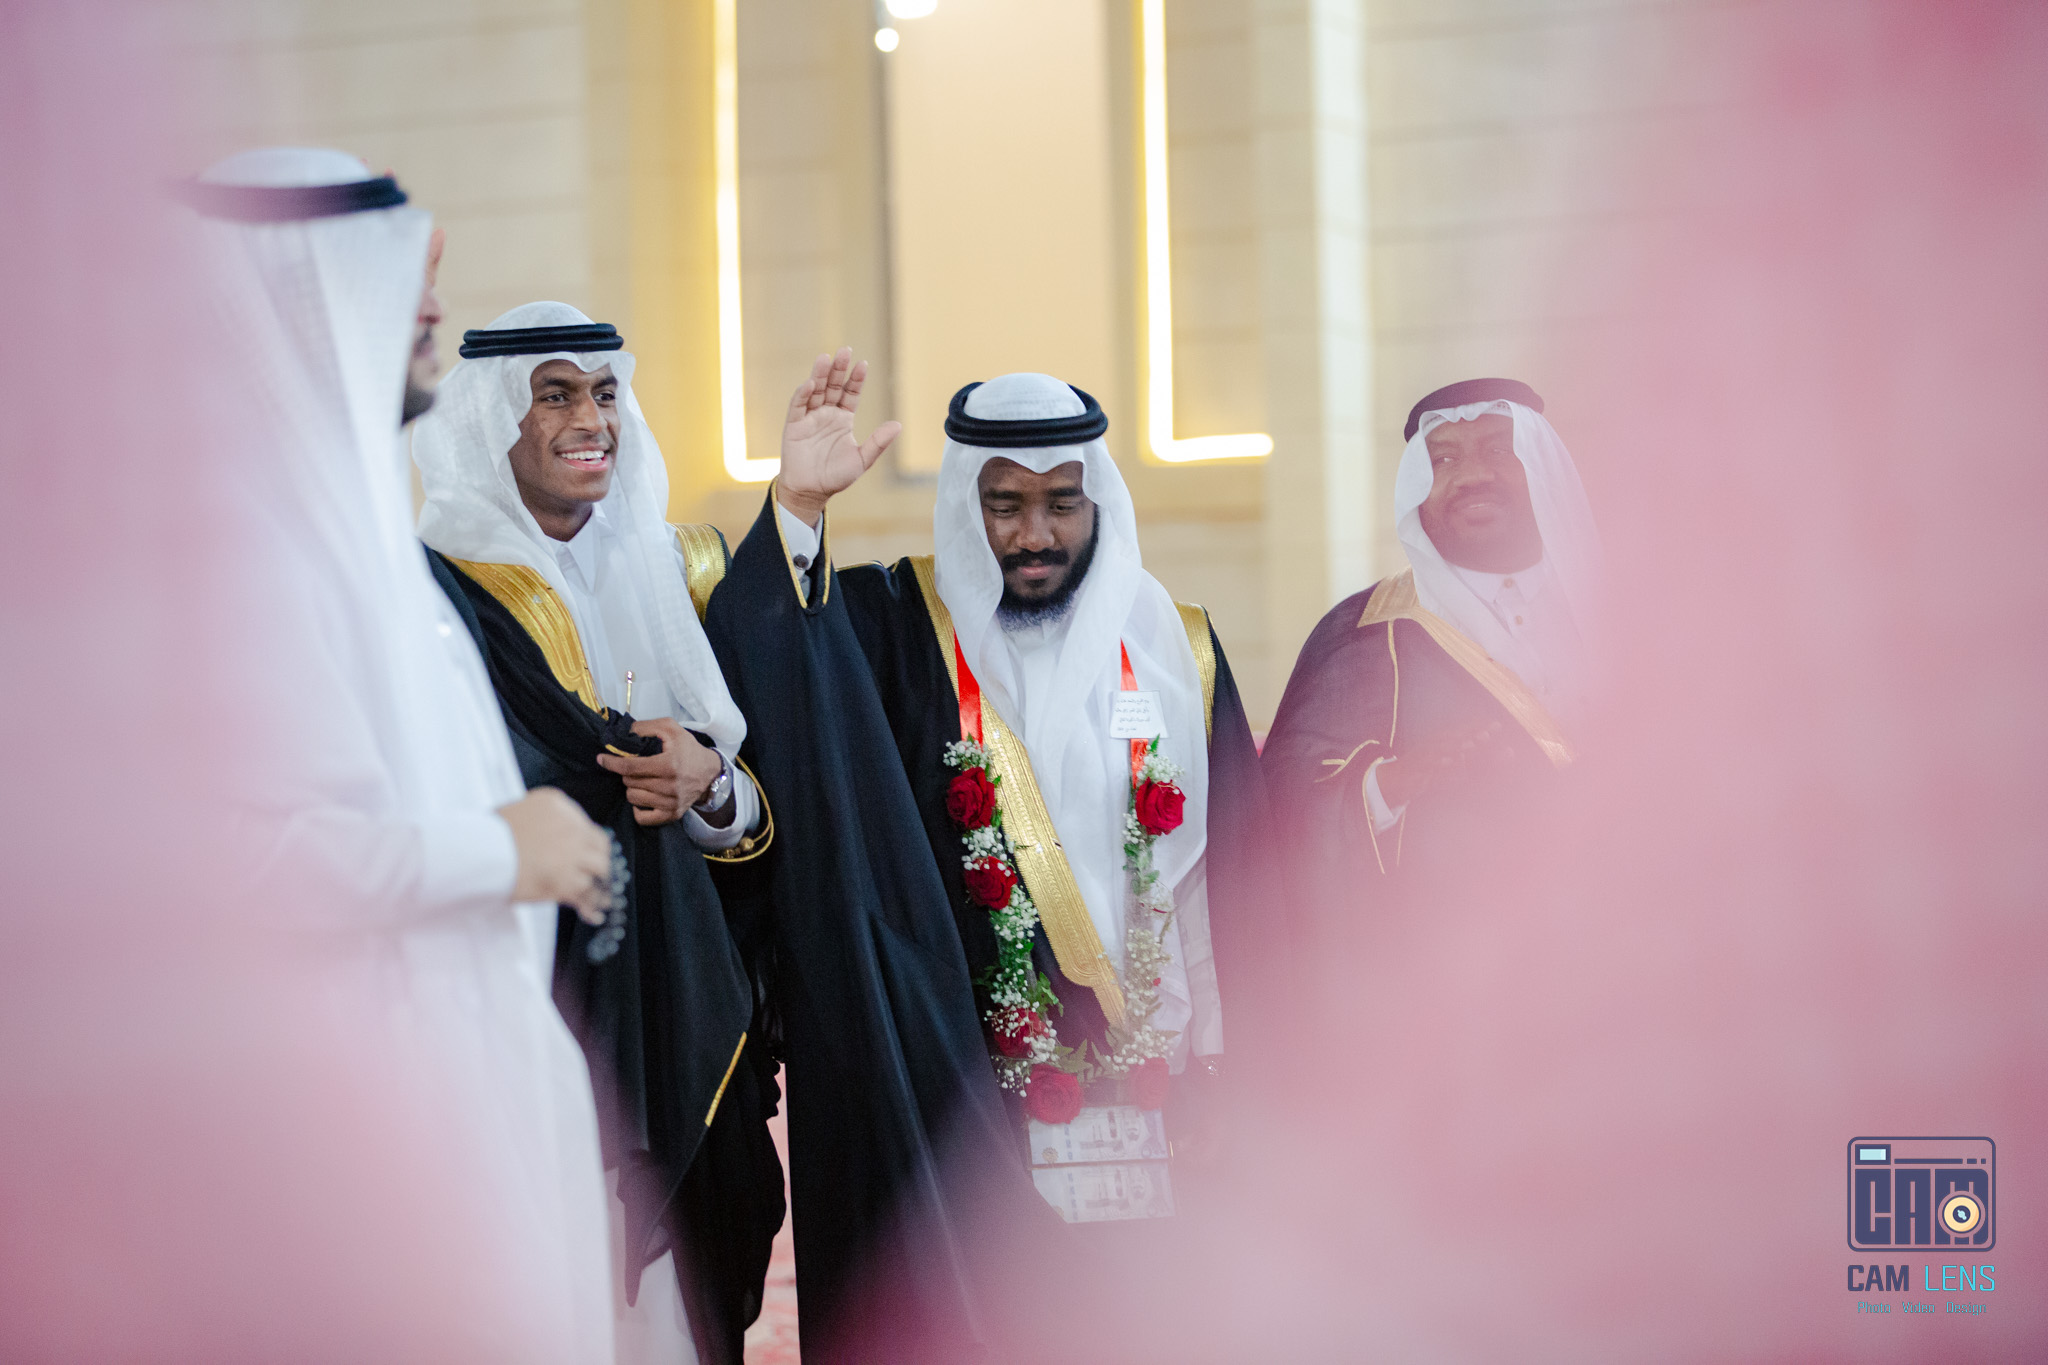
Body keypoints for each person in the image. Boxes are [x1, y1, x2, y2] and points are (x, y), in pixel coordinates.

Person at [704, 360, 1268, 1361]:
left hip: (1152, 1096)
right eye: (1003, 506)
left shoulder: (1179, 653)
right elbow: (784, 673)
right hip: (952, 1096)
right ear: (969, 507)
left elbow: (1233, 881)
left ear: (1098, 502)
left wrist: (1229, 1071)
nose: (1034, 535)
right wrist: (797, 510)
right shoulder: (891, 633)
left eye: (1061, 504)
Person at [181, 148, 617, 1363]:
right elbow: (223, 864)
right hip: (338, 1122)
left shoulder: (345, 524)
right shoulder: (233, 544)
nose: (431, 305)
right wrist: (498, 850)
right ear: (300, 296)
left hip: (451, 1074)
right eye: (397, 277)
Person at [413, 302, 783, 1365]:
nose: (593, 421)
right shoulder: (436, 594)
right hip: (531, 1004)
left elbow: (762, 812)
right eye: (556, 395)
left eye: (606, 393)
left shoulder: (682, 571)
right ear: (493, 421)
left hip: (688, 1002)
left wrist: (708, 780)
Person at [1261, 377, 1601, 903]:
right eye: (1443, 460)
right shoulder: (1365, 631)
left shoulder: (1630, 609)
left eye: (1499, 450)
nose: (1474, 476)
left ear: (1541, 465)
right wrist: (1392, 782)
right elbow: (1282, 806)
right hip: (1457, 943)